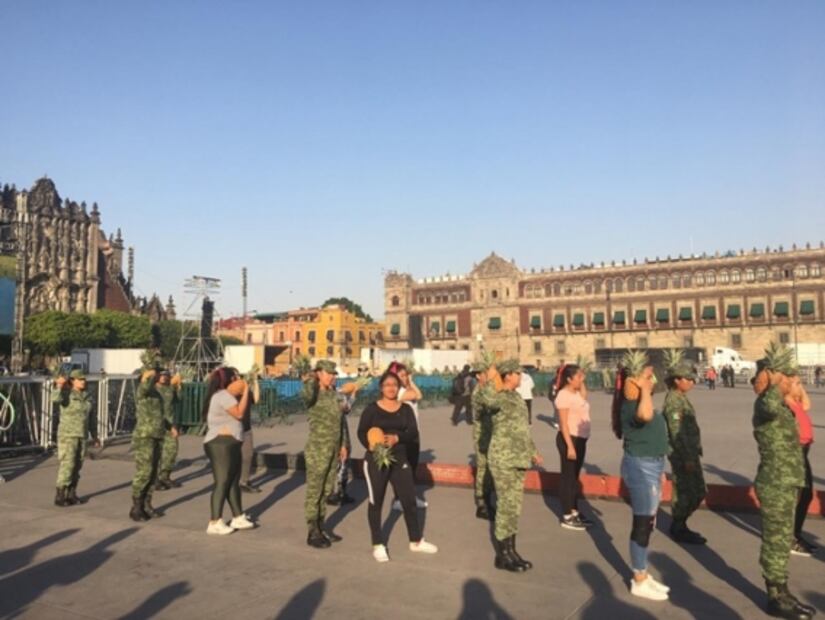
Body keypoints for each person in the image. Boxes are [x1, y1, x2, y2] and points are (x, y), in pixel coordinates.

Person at [751, 346, 815, 619]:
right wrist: (776, 381)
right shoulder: (765, 404)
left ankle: (782, 590)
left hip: (786, 481)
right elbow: (768, 403)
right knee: (775, 541)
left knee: (782, 540)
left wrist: (788, 386)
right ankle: (775, 597)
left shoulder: (782, 406)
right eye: (787, 376)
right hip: (775, 483)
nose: (792, 380)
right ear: (774, 377)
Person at [357, 370, 438, 562]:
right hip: (376, 460)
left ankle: (416, 541)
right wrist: (371, 445)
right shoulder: (371, 410)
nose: (391, 388)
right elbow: (362, 432)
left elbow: (413, 432)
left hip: (400, 459)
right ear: (381, 388)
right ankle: (378, 544)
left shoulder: (406, 409)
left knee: (409, 501)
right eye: (387, 385)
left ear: (399, 387)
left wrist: (397, 438)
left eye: (394, 385)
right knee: (376, 502)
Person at [476, 359, 543, 573]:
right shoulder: (499, 397)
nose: (521, 376)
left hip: (518, 457)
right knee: (505, 505)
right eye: (517, 373)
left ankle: (512, 551)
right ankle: (502, 555)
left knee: (514, 507)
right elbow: (486, 399)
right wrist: (491, 377)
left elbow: (522, 429)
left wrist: (533, 451)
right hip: (503, 458)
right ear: (507, 376)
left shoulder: (516, 397)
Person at [612, 358, 670, 601]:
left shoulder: (640, 402)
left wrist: (661, 471)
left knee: (649, 521)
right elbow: (645, 416)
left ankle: (643, 572)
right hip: (641, 467)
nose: (652, 381)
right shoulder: (631, 406)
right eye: (648, 378)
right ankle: (638, 578)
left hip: (652, 466)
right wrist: (644, 388)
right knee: (642, 523)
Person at [302, 360, 354, 548]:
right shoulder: (312, 393)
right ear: (319, 373)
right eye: (328, 373)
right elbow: (307, 393)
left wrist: (343, 445)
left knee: (325, 490)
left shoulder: (334, 395)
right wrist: (311, 378)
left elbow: (341, 420)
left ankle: (320, 526)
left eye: (334, 374)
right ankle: (312, 530)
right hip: (318, 450)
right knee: (314, 491)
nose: (332, 376)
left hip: (333, 449)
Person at [201, 367, 255, 535]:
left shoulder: (226, 396)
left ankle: (238, 516)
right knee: (222, 481)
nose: (239, 380)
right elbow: (239, 414)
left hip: (231, 443)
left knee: (233, 482)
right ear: (230, 380)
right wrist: (245, 390)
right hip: (220, 444)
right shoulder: (222, 395)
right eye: (236, 378)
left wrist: (246, 390)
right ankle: (214, 521)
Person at [662, 362, 706, 544]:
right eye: (688, 379)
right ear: (677, 380)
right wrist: (687, 457)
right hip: (683, 455)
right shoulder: (674, 401)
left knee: (697, 490)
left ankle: (680, 523)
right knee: (686, 491)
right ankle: (678, 526)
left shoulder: (681, 398)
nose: (691, 383)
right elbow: (676, 432)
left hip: (690, 453)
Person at [554, 364, 592, 531]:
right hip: (569, 439)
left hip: (580, 439)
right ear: (569, 379)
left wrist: (582, 379)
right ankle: (567, 514)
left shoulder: (576, 393)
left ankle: (575, 510)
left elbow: (584, 396)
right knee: (568, 477)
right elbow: (563, 424)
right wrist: (570, 447)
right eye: (578, 377)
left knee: (574, 477)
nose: (580, 380)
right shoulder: (563, 395)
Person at [129, 368, 169, 522]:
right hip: (144, 436)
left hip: (157, 435)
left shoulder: (156, 393)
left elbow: (158, 415)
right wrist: (149, 372)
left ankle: (147, 504)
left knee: (153, 473)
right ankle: (136, 507)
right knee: (144, 472)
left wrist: (169, 426)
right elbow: (145, 384)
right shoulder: (142, 391)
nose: (156, 376)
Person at [52, 370, 96, 507]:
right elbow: (55, 399)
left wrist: (95, 435)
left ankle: (71, 493)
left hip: (82, 435)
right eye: (79, 379)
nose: (83, 381)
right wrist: (59, 385)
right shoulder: (66, 394)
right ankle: (60, 495)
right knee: (68, 464)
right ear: (72, 381)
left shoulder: (87, 396)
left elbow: (92, 417)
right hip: (68, 435)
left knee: (77, 465)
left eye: (84, 379)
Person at [389, 362, 428, 509]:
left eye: (406, 375)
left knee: (411, 467)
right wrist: (411, 382)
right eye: (402, 376)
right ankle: (399, 500)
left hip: (413, 433)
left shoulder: (406, 389)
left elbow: (417, 395)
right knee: (402, 469)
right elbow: (418, 394)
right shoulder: (398, 392)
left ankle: (410, 498)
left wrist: (410, 382)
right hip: (403, 436)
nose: (405, 378)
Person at [785, 375, 816, 557]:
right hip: (795, 453)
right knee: (798, 496)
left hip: (803, 452)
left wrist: (798, 387)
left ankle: (796, 534)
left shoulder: (795, 402)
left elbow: (807, 405)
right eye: (797, 384)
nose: (800, 386)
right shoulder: (785, 406)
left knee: (806, 494)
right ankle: (790, 539)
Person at [471, 361, 495, 520]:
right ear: (478, 376)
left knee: (489, 467)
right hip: (482, 435)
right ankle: (482, 503)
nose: (488, 376)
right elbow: (487, 407)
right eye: (485, 373)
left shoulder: (486, 390)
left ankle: (488, 498)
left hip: (490, 433)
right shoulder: (478, 392)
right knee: (483, 468)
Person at [155, 370, 183, 490]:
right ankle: (154, 480)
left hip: (170, 424)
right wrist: (172, 385)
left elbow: (179, 399)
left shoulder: (169, 388)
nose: (164, 377)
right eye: (161, 375)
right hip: (156, 425)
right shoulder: (153, 389)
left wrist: (179, 386)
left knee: (171, 451)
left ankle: (165, 477)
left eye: (166, 375)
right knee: (155, 453)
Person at [240, 368, 262, 494]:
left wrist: (255, 381)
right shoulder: (230, 394)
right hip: (234, 430)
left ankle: (244, 481)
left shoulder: (246, 392)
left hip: (246, 428)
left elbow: (256, 399)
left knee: (248, 455)